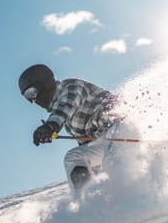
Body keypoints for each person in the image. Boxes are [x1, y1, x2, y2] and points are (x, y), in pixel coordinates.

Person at [18, 64, 121, 197]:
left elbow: (66, 105)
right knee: (74, 157)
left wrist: (51, 126)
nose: (33, 100)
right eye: (28, 98)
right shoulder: (69, 123)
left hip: (120, 127)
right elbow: (87, 146)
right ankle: (87, 203)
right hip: (105, 141)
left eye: (32, 93)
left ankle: (126, 195)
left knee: (112, 163)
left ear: (44, 84)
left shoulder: (71, 86)